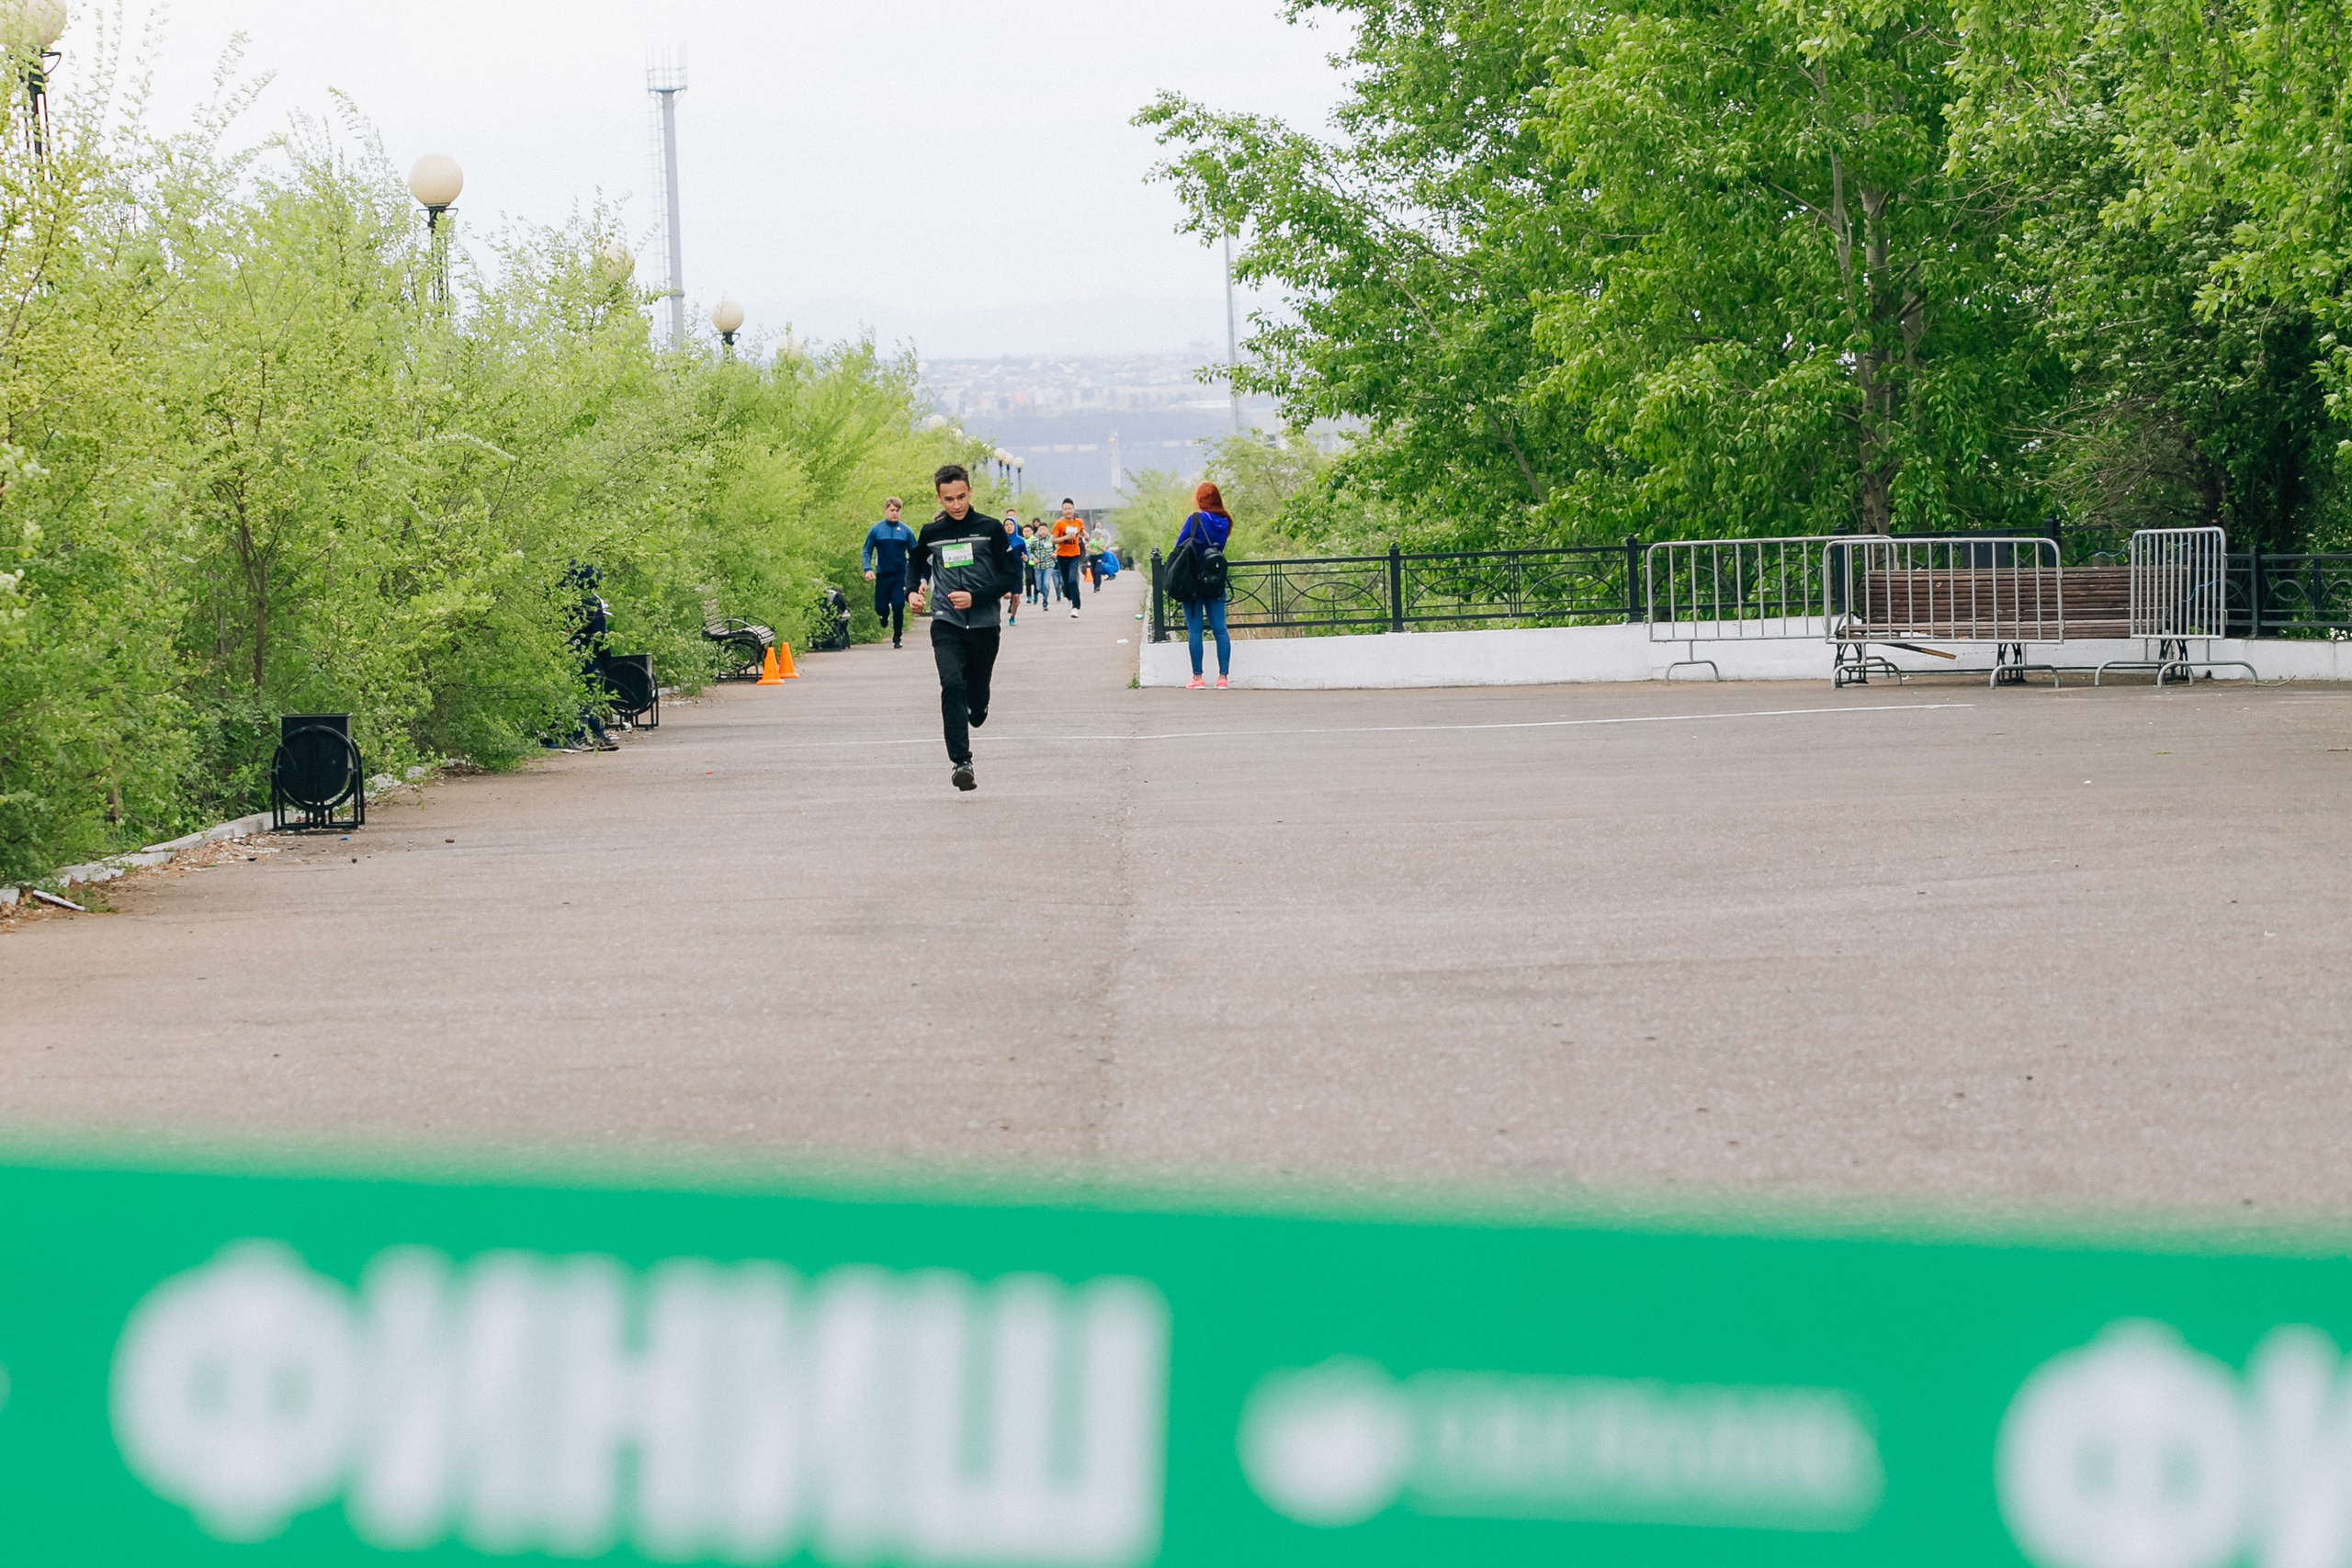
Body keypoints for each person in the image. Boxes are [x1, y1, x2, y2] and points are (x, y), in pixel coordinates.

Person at [906, 464, 1022, 791]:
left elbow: (1011, 575)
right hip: (946, 621)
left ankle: (981, 701)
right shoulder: (931, 532)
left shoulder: (990, 529)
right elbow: (914, 564)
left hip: (984, 623)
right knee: (952, 684)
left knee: (976, 689)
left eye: (960, 497)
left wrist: (976, 597)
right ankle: (961, 762)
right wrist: (912, 592)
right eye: (948, 499)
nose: (955, 505)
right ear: (939, 498)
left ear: (970, 492)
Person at [1174, 481, 1234, 690]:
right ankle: (1223, 678)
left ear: (1200, 500)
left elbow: (1179, 545)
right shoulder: (1225, 522)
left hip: (1193, 581)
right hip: (1215, 580)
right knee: (1220, 630)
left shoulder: (1195, 519)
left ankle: (1198, 678)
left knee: (1194, 631)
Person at [862, 498, 917, 649]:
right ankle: (884, 615)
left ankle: (897, 638)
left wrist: (916, 574)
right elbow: (867, 550)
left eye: (897, 511)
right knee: (880, 606)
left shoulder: (906, 531)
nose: (895, 513)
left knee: (899, 604)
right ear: (885, 510)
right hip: (883, 574)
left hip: (900, 574)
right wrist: (867, 569)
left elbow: (914, 553)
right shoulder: (876, 530)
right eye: (892, 510)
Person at [1051, 499, 1086, 616]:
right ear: (1062, 511)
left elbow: (1082, 532)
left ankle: (1076, 607)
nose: (1068, 511)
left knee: (1072, 580)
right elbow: (1053, 540)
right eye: (1065, 509)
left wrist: (1085, 535)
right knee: (1065, 583)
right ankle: (1069, 598)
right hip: (1061, 555)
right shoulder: (1059, 523)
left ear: (1074, 510)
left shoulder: (1079, 522)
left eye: (1070, 508)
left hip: (1074, 555)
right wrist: (1065, 538)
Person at [1002, 513, 1025, 625]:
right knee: (1006, 595)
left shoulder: (1020, 541)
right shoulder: (1000, 540)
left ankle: (1012, 617)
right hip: (1004, 571)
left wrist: (1026, 558)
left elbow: (1026, 555)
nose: (1009, 527)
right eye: (1006, 525)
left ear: (1015, 526)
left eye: (1011, 524)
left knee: (1016, 597)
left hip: (1017, 571)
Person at [1025, 522, 1055, 607]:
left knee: (1046, 583)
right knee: (1038, 587)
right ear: (1037, 531)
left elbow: (1058, 548)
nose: (1042, 531)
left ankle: (1045, 601)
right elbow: (1028, 551)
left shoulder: (1052, 539)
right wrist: (1033, 558)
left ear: (1047, 530)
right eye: (1040, 530)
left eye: (1044, 529)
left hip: (1049, 565)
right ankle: (1043, 593)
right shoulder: (1034, 540)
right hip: (1038, 566)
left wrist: (1055, 554)